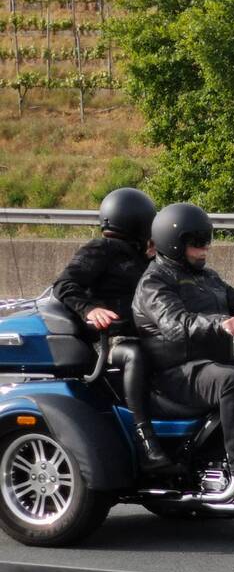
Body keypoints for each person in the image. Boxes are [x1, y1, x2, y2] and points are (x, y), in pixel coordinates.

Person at [132, 203, 234, 501]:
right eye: (197, 242)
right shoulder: (154, 282)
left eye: (206, 241)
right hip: (175, 373)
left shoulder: (207, 277)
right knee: (232, 380)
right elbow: (176, 324)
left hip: (208, 365)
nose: (204, 249)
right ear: (174, 243)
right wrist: (222, 323)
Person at [52, 187, 176, 473]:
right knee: (135, 355)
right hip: (109, 340)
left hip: (144, 333)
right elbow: (64, 284)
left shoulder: (141, 256)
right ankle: (145, 439)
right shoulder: (101, 249)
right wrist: (89, 309)